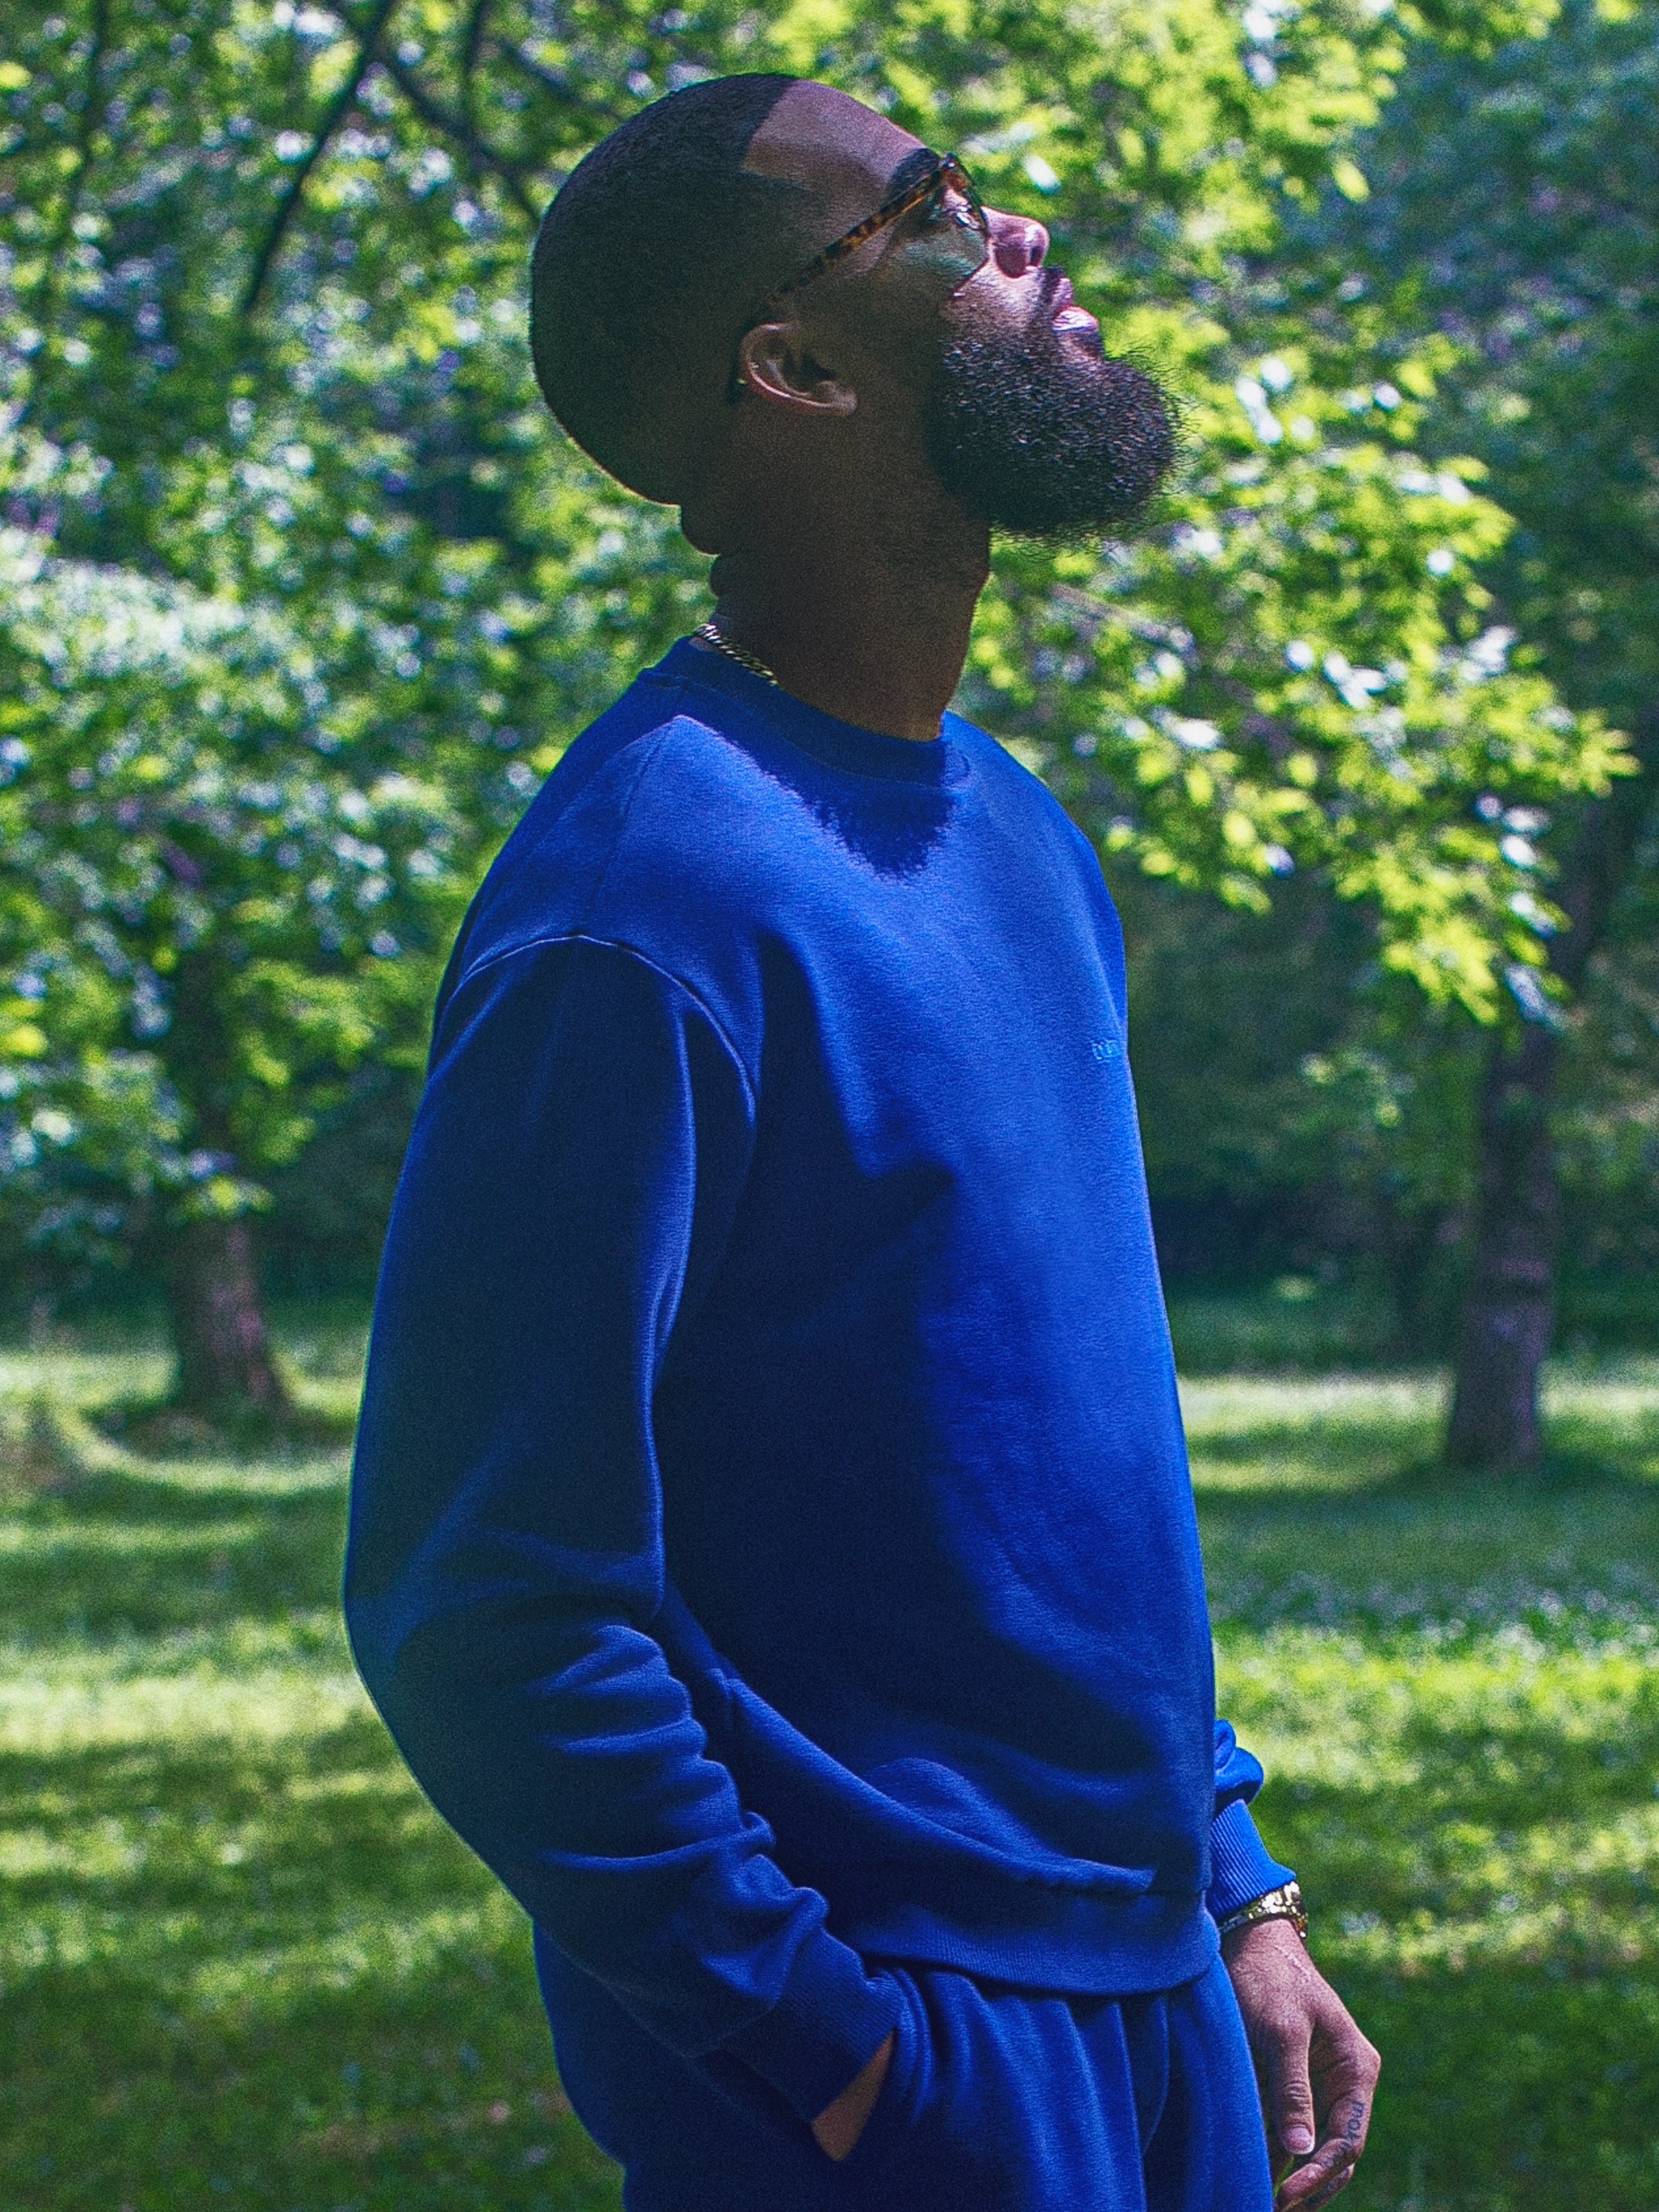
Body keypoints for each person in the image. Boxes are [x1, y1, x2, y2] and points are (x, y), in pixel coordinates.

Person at [344, 72, 1379, 2212]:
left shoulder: (1018, 838)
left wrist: (1230, 1888)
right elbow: (481, 1595)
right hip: (898, 2069)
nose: (1015, 238)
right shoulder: (639, 907)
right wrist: (826, 2060)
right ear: (791, 367)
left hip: (1158, 2017)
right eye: (928, 211)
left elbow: (1038, 1479)